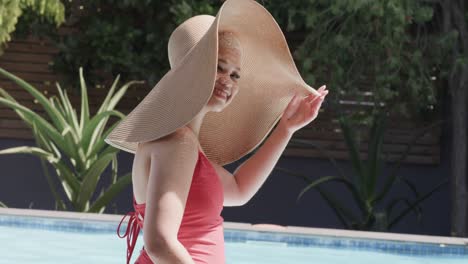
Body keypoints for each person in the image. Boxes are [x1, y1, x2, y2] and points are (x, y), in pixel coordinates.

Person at [106, 0, 328, 263]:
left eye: (235, 75)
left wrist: (285, 128)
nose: (228, 81)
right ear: (190, 73)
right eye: (219, 68)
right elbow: (159, 242)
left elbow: (238, 189)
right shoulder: (177, 143)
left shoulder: (183, 142)